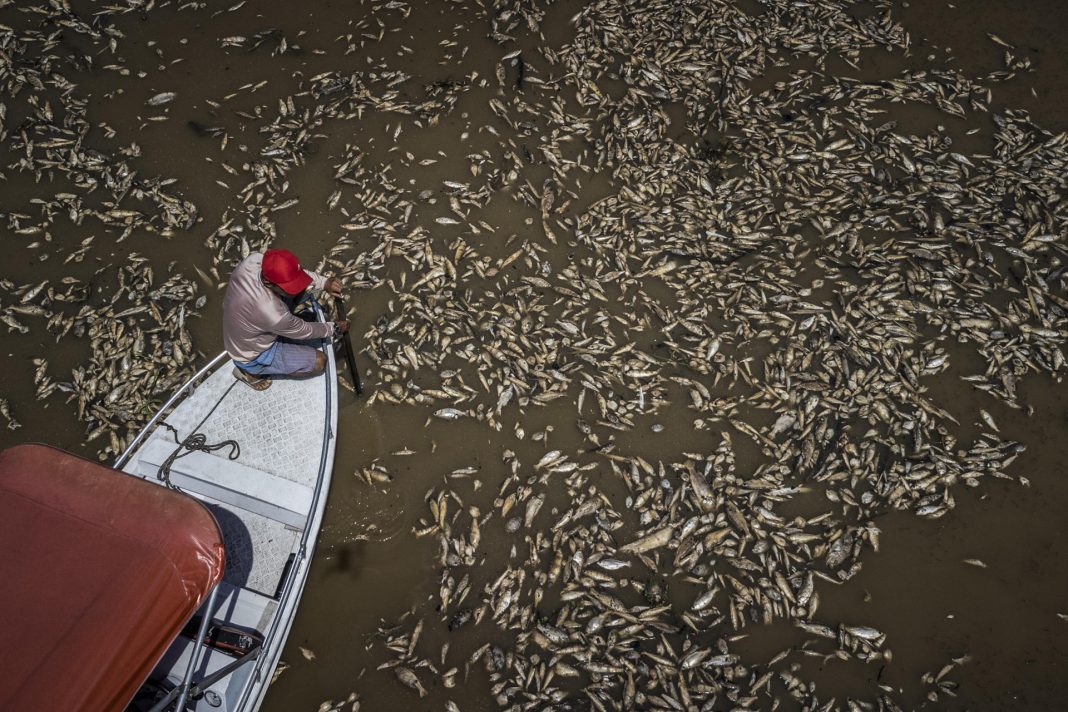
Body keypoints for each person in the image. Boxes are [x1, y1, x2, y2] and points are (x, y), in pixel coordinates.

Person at [222, 248, 348, 391]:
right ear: (268, 283)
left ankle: (282, 332)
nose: (296, 288)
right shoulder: (273, 313)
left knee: (303, 290)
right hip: (253, 354)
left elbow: (296, 275)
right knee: (319, 363)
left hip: (246, 325)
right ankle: (250, 372)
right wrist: (334, 328)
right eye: (289, 287)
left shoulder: (253, 261)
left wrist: (324, 283)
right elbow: (305, 330)